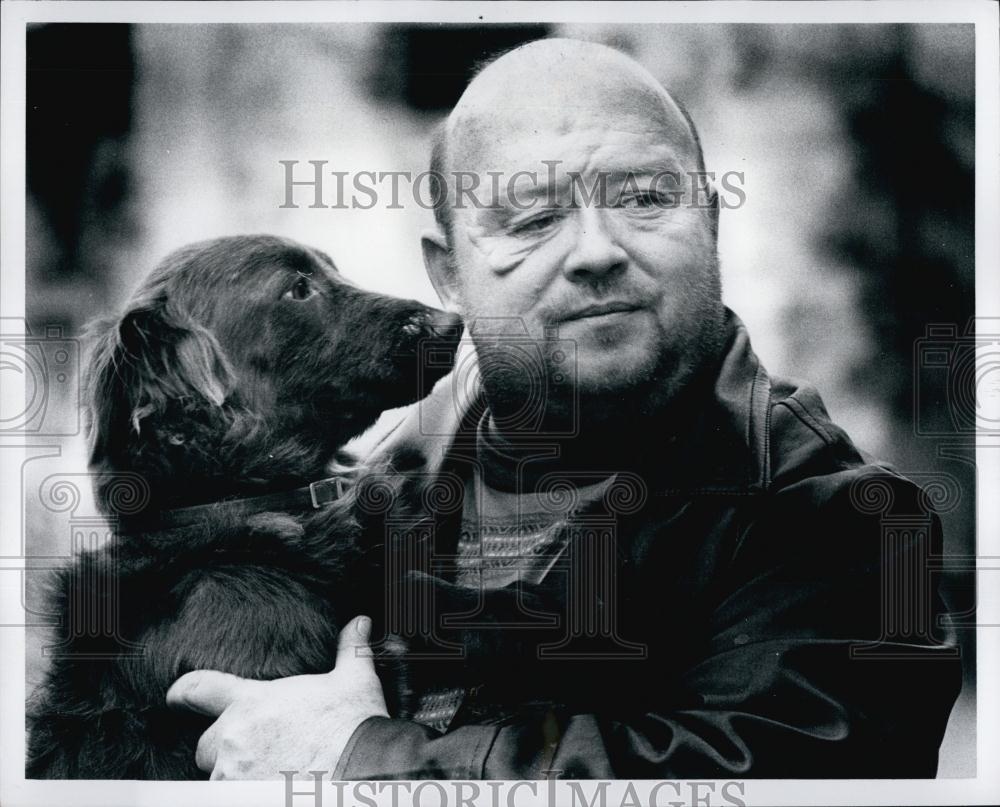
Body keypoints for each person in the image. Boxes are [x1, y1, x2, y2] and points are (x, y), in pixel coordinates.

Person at [165, 38, 962, 779]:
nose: (596, 251)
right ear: (449, 277)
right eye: (533, 218)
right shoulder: (379, 493)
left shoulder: (845, 522)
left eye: (646, 197)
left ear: (712, 222)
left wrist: (359, 758)